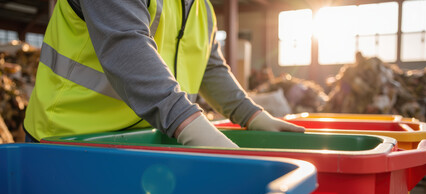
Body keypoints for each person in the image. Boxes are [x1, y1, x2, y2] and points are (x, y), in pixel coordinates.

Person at [24, 0, 304, 146]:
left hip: (143, 140)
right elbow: (127, 49)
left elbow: (209, 66)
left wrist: (252, 115)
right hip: (67, 140)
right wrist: (191, 126)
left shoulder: (201, 7)